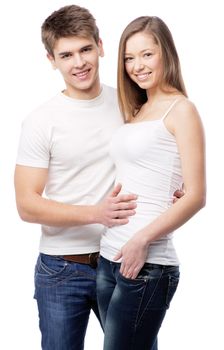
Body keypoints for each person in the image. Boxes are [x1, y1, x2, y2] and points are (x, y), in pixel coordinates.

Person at [14, 6, 183, 350]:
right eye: (66, 55)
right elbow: (26, 204)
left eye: (85, 49)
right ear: (51, 60)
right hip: (62, 269)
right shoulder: (40, 120)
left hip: (125, 261)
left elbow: (156, 153)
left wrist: (173, 190)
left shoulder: (129, 102)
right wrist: (96, 213)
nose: (79, 63)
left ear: (101, 46)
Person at [96, 16, 206, 350]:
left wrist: (142, 239)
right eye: (129, 58)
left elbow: (198, 195)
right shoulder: (138, 111)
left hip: (147, 262)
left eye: (147, 54)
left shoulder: (181, 109)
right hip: (108, 258)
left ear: (166, 54)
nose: (137, 66)